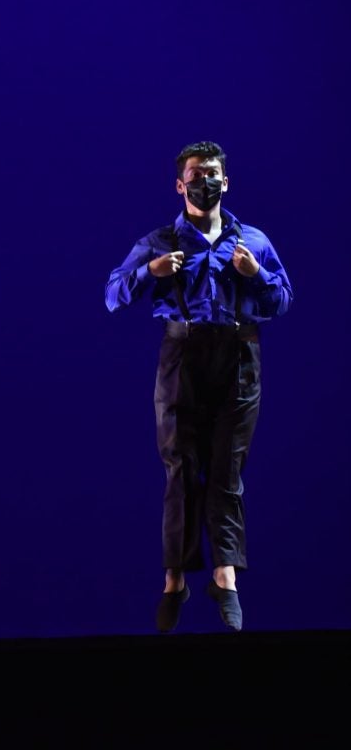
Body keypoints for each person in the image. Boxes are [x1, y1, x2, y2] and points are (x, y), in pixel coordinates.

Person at [105, 141, 292, 632]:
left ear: (225, 181)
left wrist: (253, 275)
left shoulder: (251, 239)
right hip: (183, 357)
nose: (203, 180)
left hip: (237, 357)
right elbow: (112, 293)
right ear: (179, 183)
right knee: (181, 467)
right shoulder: (162, 239)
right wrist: (151, 270)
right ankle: (175, 580)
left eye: (212, 173)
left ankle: (225, 577)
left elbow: (282, 299)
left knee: (227, 468)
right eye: (195, 173)